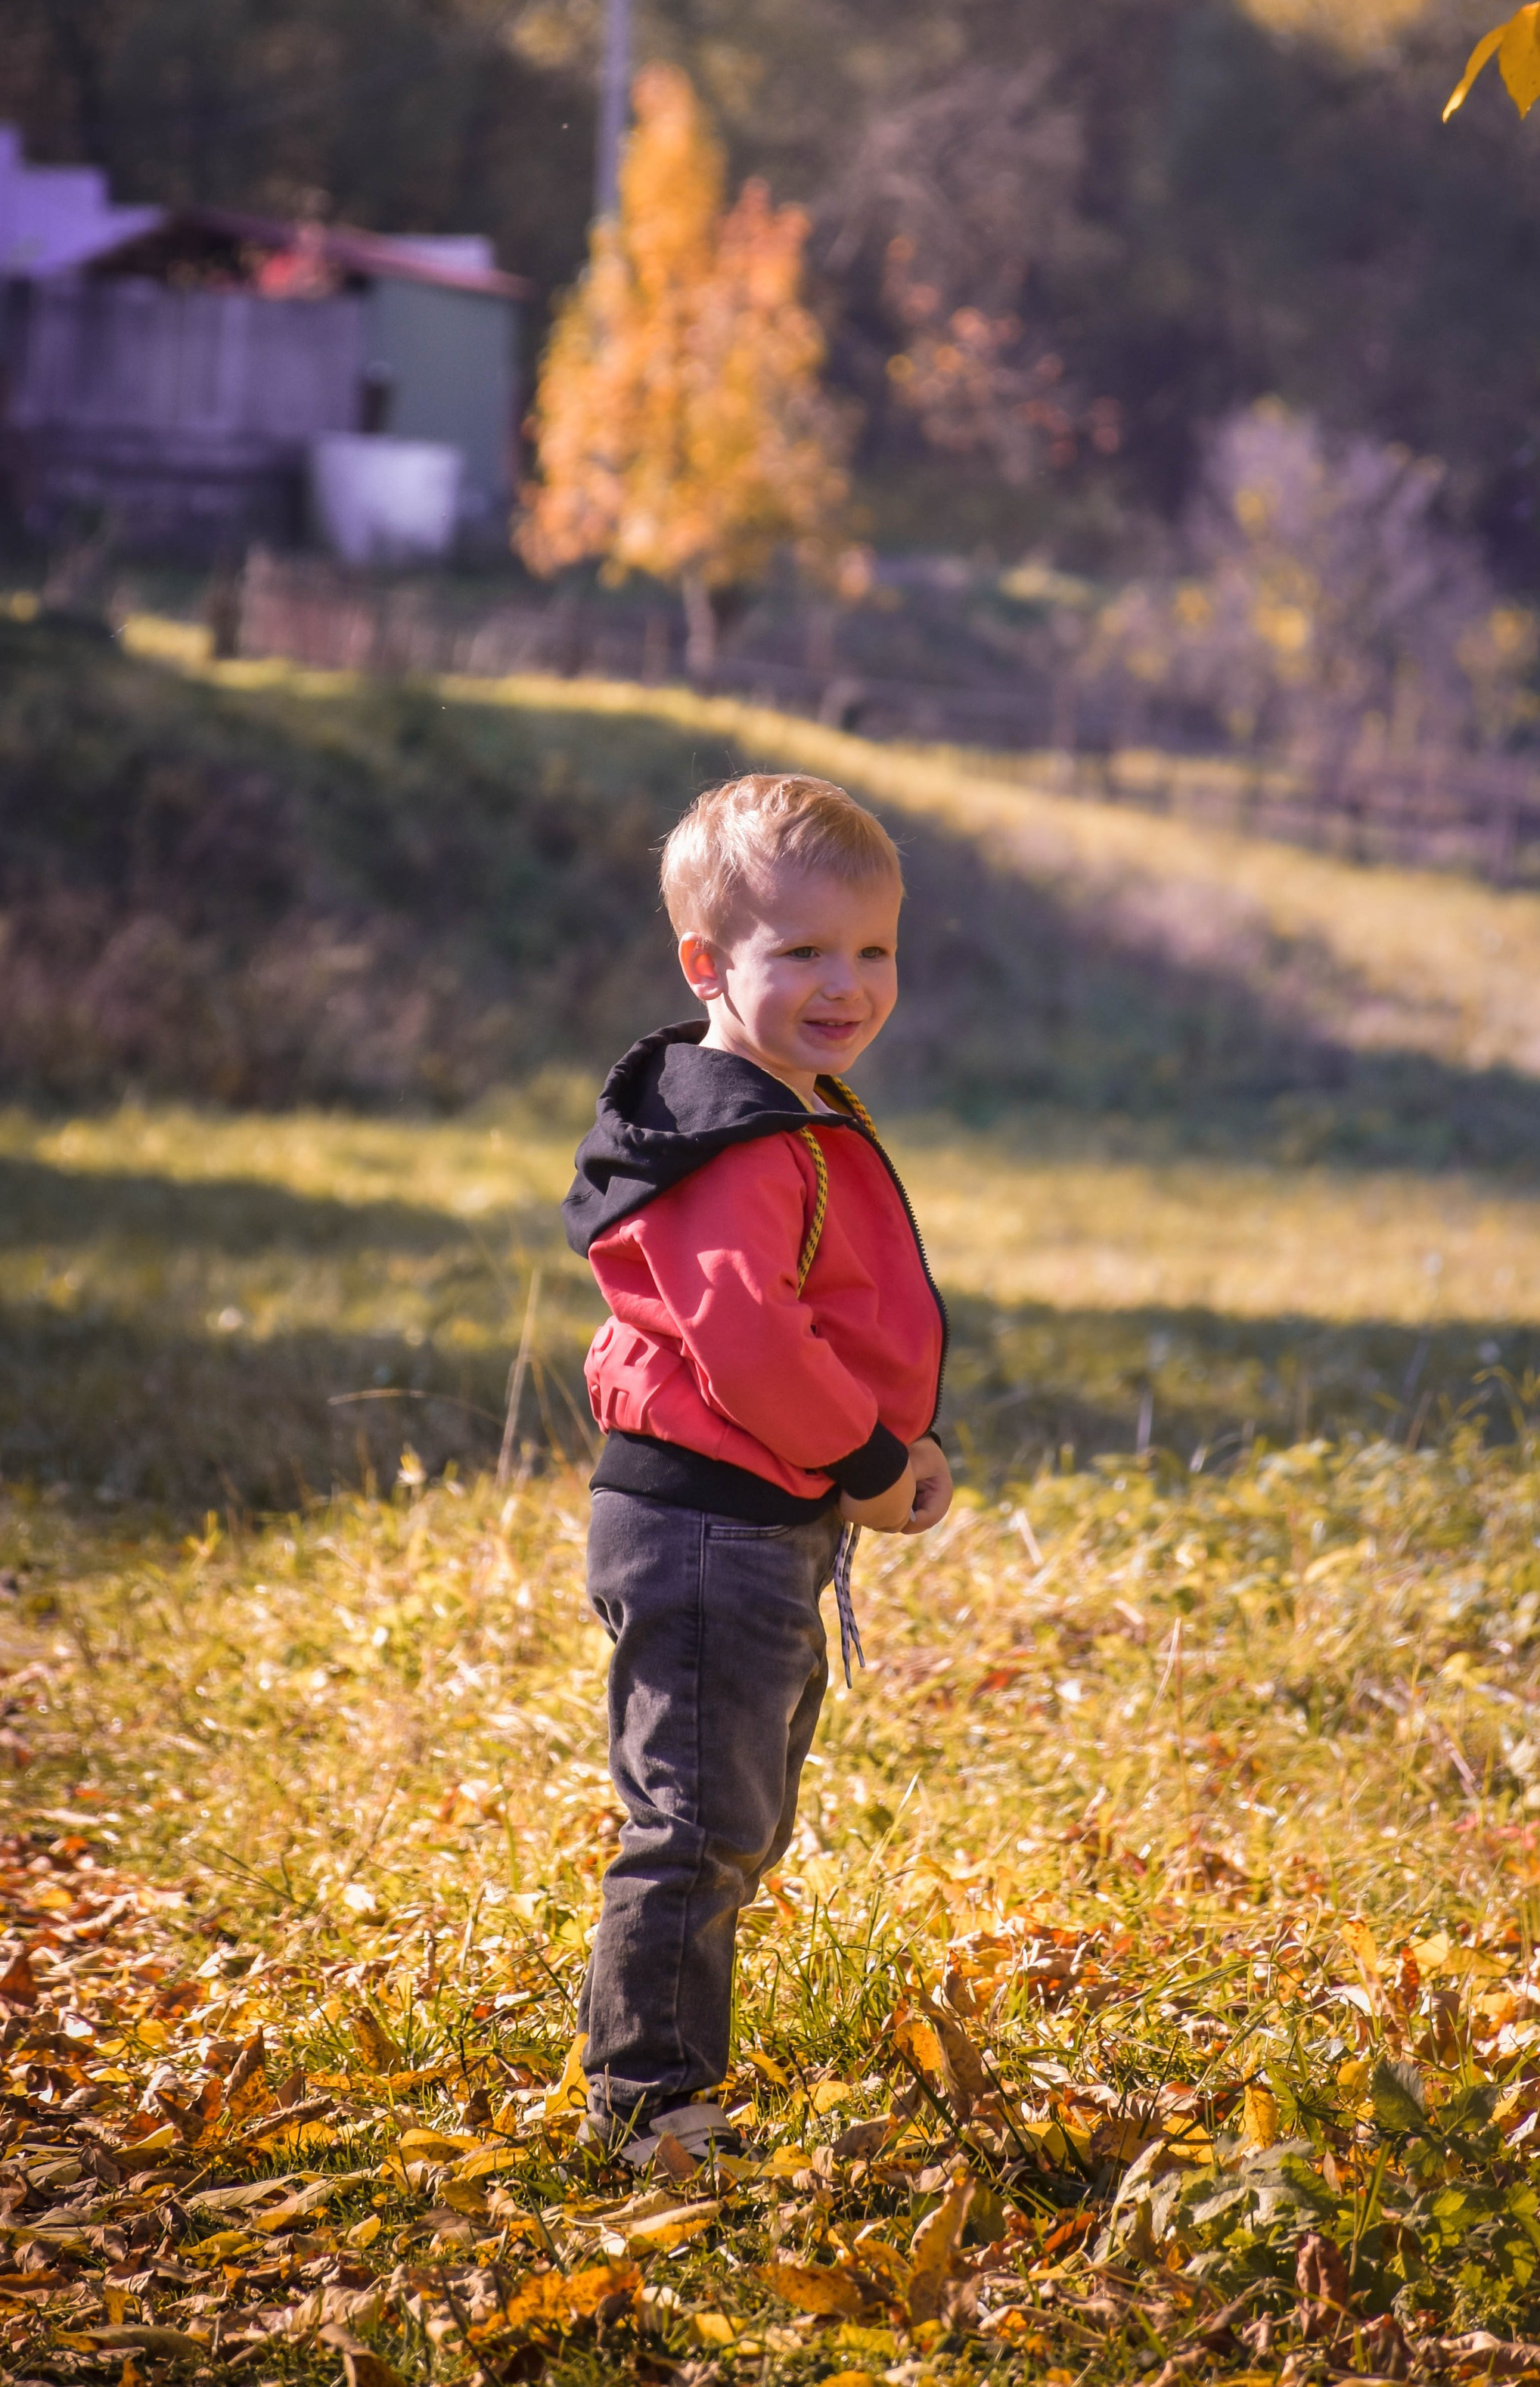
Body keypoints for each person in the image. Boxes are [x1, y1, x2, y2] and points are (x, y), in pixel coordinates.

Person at [562, 771, 953, 2170]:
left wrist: (899, 1449)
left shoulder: (779, 1099)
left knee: (734, 1811)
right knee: (698, 1820)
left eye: (873, 950)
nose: (845, 983)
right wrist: (860, 1457)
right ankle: (649, 2106)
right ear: (707, 963)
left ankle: (659, 2075)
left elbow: (827, 1309)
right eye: (800, 953)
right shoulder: (734, 1134)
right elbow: (745, 1333)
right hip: (712, 1524)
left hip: (755, 1515)